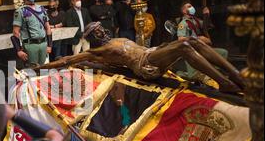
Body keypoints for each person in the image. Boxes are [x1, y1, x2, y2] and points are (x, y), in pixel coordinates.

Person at [37, 22, 245, 94]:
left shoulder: (116, 38)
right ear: (93, 38)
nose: (103, 33)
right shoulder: (95, 52)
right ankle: (224, 82)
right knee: (184, 46)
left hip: (150, 53)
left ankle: (235, 77)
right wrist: (39, 68)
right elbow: (65, 61)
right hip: (146, 67)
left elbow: (141, 47)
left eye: (102, 29)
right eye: (98, 33)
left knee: (194, 42)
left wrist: (161, 46)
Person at [177, 3, 229, 80]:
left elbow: (208, 26)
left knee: (223, 53)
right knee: (193, 76)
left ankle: (216, 73)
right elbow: (180, 39)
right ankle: (183, 74)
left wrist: (206, 15)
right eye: (189, 6)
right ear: (184, 11)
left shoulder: (196, 20)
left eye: (192, 5)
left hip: (202, 48)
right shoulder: (183, 24)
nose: (192, 7)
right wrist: (197, 38)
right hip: (191, 51)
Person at [12, 0, 53, 67]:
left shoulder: (42, 9)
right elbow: (15, 31)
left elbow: (48, 28)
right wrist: (19, 50)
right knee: (33, 71)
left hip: (43, 44)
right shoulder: (20, 11)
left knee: (44, 70)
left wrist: (49, 45)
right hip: (30, 46)